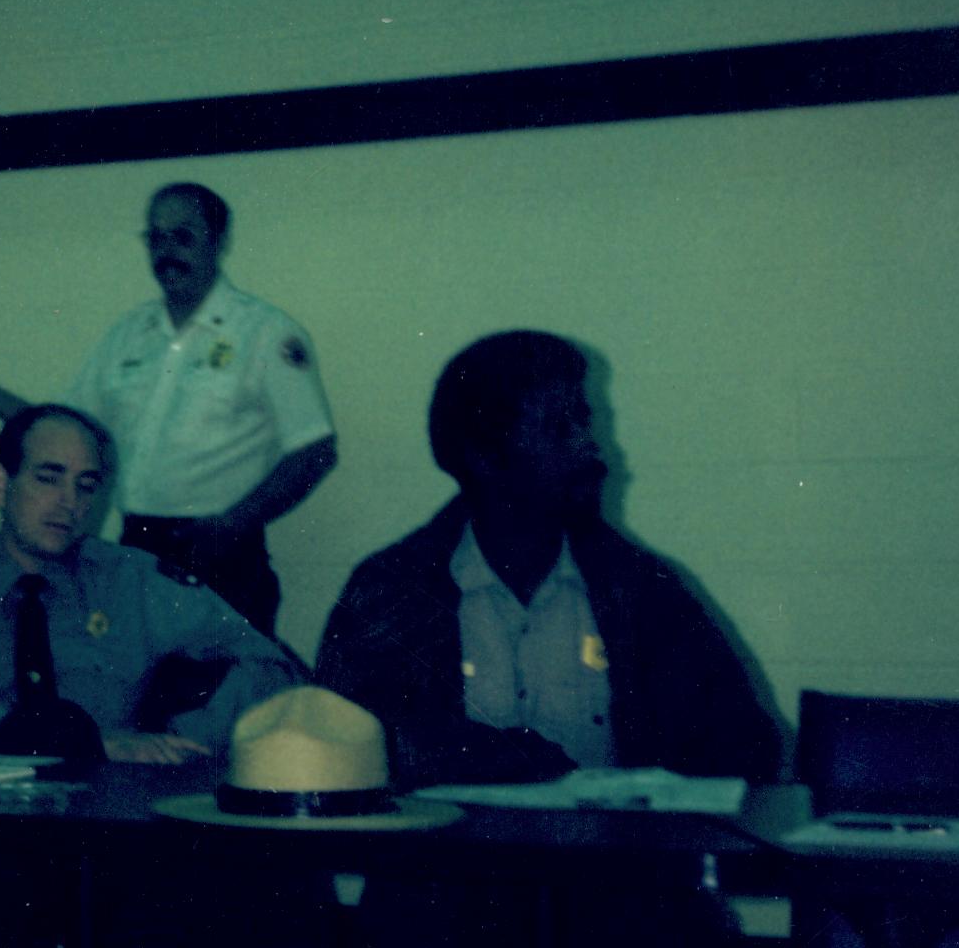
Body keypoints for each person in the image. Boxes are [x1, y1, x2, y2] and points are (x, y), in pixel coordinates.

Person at [316, 331, 781, 787]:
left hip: (613, 861)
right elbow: (343, 748)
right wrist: (504, 762)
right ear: (484, 457)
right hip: (449, 862)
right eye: (559, 428)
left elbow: (748, 747)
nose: (593, 447)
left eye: (585, 421)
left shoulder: (642, 588)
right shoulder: (392, 589)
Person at [0, 181, 336, 635]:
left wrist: (232, 525)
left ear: (218, 240)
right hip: (137, 548)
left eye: (183, 236)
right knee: (137, 695)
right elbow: (62, 430)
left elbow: (315, 450)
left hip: (223, 555)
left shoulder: (265, 334)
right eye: (156, 238)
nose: (166, 251)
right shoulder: (129, 336)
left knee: (231, 698)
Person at [0, 404, 301, 764]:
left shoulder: (131, 581)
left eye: (86, 485)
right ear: (0, 484)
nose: (70, 502)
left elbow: (271, 667)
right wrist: (86, 741)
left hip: (105, 827)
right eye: (49, 478)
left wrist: (182, 741)